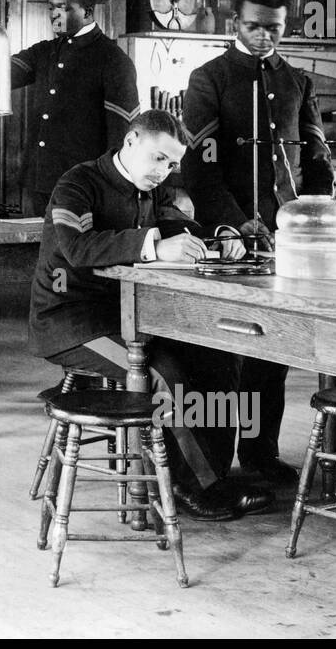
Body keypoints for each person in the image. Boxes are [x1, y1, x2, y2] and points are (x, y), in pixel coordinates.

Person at [29, 110, 272, 521]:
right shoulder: (78, 183)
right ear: (131, 141)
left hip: (131, 317)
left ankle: (211, 474)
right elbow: (77, 248)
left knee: (219, 354)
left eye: (173, 163)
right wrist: (154, 246)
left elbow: (179, 224)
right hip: (71, 320)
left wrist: (222, 236)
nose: (165, 171)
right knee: (163, 373)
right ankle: (195, 489)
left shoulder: (153, 188)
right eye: (159, 158)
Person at [180, 0, 333, 485]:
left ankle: (262, 453)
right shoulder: (208, 79)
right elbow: (200, 167)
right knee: (226, 349)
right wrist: (234, 223)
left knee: (277, 346)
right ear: (233, 22)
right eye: (254, 27)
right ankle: (214, 466)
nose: (265, 37)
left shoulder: (297, 80)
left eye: (276, 29)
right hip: (229, 237)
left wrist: (321, 215)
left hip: (288, 237)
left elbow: (315, 158)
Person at [0, 0, 139, 217]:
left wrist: (110, 192)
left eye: (63, 8)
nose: (53, 15)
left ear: (87, 12)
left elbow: (121, 138)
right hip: (39, 183)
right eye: (51, 7)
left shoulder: (113, 60)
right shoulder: (45, 52)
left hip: (84, 187)